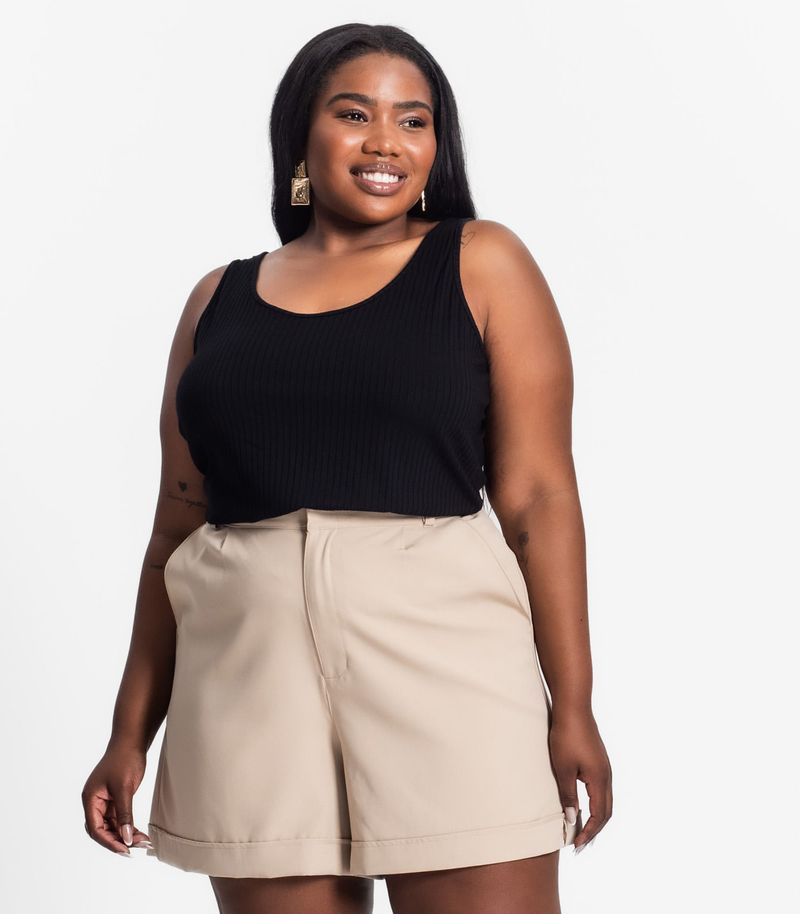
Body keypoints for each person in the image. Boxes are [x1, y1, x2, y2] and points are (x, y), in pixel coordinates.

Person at [81, 22, 612, 914]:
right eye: (355, 114)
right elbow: (176, 527)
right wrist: (129, 731)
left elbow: (538, 499)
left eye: (414, 120)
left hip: (447, 669)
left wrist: (575, 706)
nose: (385, 143)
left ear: (437, 146)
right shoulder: (217, 300)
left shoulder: (480, 263)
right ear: (301, 135)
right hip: (247, 685)